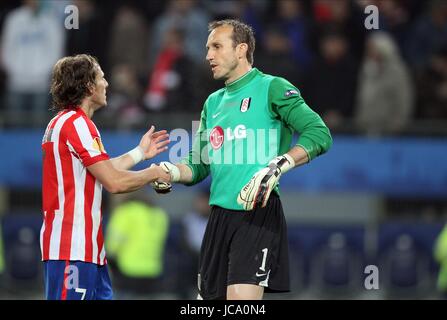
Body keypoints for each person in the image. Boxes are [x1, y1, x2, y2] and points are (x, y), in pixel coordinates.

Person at [152, 19, 332, 300]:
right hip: (217, 218)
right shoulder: (212, 103)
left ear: (241, 50)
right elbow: (198, 164)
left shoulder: (272, 87)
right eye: (207, 48)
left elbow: (319, 134)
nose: (208, 55)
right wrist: (171, 172)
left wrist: (279, 165)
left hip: (256, 213)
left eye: (216, 46)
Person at [41, 54, 170, 300]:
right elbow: (114, 182)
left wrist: (140, 153)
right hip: (72, 249)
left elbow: (103, 170)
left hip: (87, 250)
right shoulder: (77, 124)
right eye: (101, 77)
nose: (107, 83)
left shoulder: (66, 123)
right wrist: (154, 173)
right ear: (89, 86)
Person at [105, 191, 169, 298]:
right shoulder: (159, 214)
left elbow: (112, 246)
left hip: (127, 271)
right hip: (153, 271)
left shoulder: (125, 212)